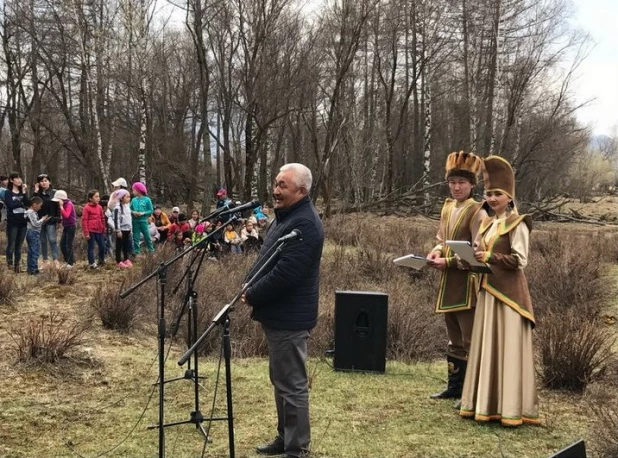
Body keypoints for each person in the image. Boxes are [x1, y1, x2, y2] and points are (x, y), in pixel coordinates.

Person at [243, 163, 324, 458]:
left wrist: (253, 293)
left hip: (291, 316)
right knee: (281, 381)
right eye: (276, 183)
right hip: (277, 313)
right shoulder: (284, 218)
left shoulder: (304, 224)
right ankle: (284, 436)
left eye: (283, 186)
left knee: (292, 385)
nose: (276, 190)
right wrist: (247, 281)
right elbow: (266, 258)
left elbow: (287, 273)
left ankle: (297, 448)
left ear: (301, 191)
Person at [459, 155, 539, 427]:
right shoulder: (486, 223)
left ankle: (509, 410)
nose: (491, 199)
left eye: (497, 194)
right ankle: (484, 406)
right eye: (488, 194)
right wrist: (469, 258)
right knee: (487, 349)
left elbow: (520, 261)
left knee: (506, 350)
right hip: (487, 292)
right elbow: (480, 253)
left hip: (509, 298)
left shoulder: (519, 223)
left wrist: (489, 258)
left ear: (509, 197)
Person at [426, 151, 486, 403]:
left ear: (472, 184)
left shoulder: (479, 211)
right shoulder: (448, 206)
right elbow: (442, 238)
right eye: (452, 182)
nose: (456, 187)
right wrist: (436, 251)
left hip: (467, 283)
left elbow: (478, 252)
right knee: (454, 339)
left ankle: (474, 394)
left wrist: (448, 261)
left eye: (461, 182)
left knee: (471, 339)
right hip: (448, 282)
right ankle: (455, 387)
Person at [4, 172, 29, 272]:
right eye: (17, 178)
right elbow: (10, 204)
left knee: (19, 245)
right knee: (11, 244)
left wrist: (24, 193)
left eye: (20, 178)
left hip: (23, 222)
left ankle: (17, 266)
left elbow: (28, 203)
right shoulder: (8, 192)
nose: (19, 180)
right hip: (12, 222)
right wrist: (20, 204)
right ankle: (9, 264)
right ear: (11, 180)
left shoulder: (22, 192)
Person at [33, 174, 60, 266]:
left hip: (51, 219)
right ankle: (45, 261)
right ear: (38, 183)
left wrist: (58, 219)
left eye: (45, 181)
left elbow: (58, 207)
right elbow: (33, 205)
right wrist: (36, 192)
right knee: (43, 241)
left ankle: (56, 260)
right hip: (40, 220)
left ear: (49, 182)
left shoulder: (54, 192)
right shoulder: (37, 194)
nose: (44, 183)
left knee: (52, 240)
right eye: (41, 181)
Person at [82, 190, 107, 269]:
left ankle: (101, 260)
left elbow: (102, 218)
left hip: (99, 230)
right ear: (90, 198)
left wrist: (104, 228)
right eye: (96, 197)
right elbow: (84, 220)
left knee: (103, 246)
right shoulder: (87, 208)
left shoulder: (99, 207)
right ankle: (92, 263)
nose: (98, 198)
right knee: (91, 247)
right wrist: (86, 233)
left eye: (98, 196)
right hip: (91, 230)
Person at [24, 197, 50, 275]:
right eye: (39, 205)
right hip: (33, 233)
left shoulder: (30, 212)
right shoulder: (31, 213)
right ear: (34, 205)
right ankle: (33, 269)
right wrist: (42, 219)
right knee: (34, 251)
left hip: (31, 232)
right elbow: (35, 224)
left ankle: (30, 268)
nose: (40, 207)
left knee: (31, 251)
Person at [53, 190, 76, 267]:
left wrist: (61, 207)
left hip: (71, 227)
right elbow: (63, 217)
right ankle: (67, 261)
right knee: (62, 245)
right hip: (66, 226)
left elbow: (66, 215)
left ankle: (70, 263)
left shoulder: (69, 204)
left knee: (68, 245)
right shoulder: (63, 205)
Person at [130, 182, 154, 255]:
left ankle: (151, 251)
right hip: (135, 221)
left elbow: (151, 210)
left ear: (138, 190)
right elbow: (129, 209)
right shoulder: (133, 200)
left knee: (147, 236)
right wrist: (133, 212)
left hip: (143, 221)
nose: (132, 191)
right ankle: (137, 252)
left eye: (133, 190)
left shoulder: (147, 200)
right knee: (136, 237)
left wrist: (143, 213)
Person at [112, 189, 133, 268]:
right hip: (121, 230)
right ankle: (118, 261)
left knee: (126, 245)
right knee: (119, 246)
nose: (129, 198)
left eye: (129, 197)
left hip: (127, 229)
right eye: (127, 197)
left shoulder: (127, 206)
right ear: (121, 198)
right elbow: (116, 219)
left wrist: (130, 228)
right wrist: (118, 230)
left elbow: (129, 217)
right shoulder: (117, 207)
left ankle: (126, 258)